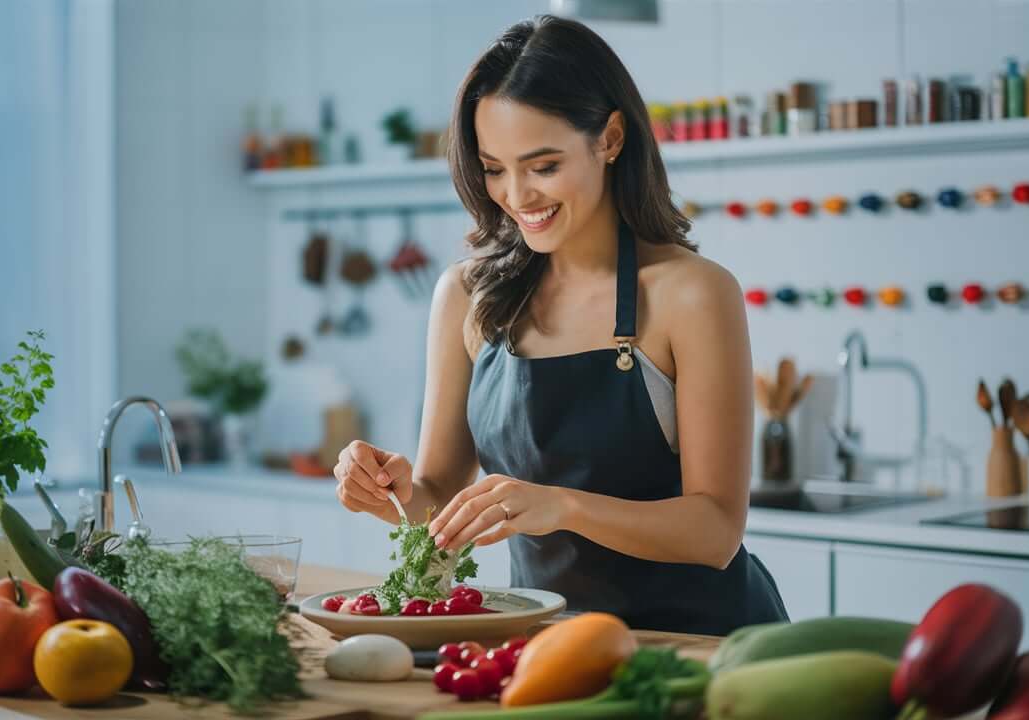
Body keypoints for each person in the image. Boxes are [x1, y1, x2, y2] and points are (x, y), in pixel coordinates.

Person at [332, 14, 787, 635]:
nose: (517, 195)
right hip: (547, 646)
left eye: (543, 166)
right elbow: (437, 497)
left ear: (611, 139)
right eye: (494, 168)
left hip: (697, 644)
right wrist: (386, 489)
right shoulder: (467, 297)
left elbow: (715, 531)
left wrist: (562, 506)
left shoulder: (694, 294)